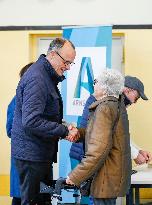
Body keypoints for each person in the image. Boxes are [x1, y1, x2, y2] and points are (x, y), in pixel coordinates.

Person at [11, 38, 77, 205]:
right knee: (35, 202)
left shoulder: (45, 75)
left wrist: (63, 124)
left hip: (39, 156)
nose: (68, 67)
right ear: (53, 55)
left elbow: (44, 115)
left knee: (43, 200)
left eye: (71, 63)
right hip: (32, 158)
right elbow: (31, 121)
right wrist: (64, 131)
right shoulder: (38, 78)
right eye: (66, 62)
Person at [66, 68, 132, 205]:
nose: (94, 84)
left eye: (96, 82)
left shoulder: (105, 108)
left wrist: (75, 175)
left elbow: (98, 150)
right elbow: (101, 136)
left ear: (104, 87)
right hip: (110, 177)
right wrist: (78, 133)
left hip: (104, 178)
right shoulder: (116, 105)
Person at [70, 75, 152, 172]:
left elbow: (122, 134)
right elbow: (114, 135)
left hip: (91, 156)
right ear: (128, 90)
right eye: (136, 97)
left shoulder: (115, 104)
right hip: (83, 156)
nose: (134, 102)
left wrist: (138, 151)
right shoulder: (107, 102)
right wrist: (135, 155)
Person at [6, 62, 33, 205]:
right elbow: (10, 130)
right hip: (22, 158)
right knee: (20, 197)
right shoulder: (16, 101)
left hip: (37, 161)